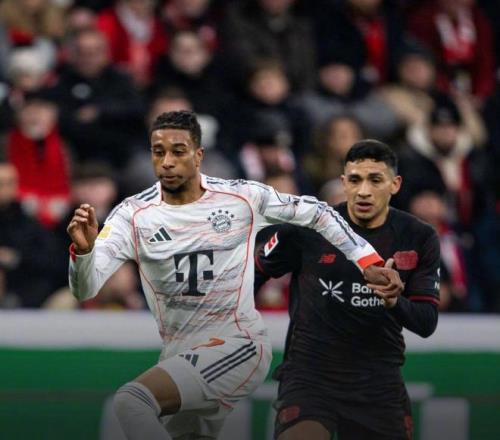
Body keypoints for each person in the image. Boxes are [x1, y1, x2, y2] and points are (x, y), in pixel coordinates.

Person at [67, 111, 396, 439]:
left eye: (178, 151)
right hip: (179, 353)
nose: (167, 162)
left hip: (237, 345)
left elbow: (319, 213)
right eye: (158, 152)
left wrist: (367, 260)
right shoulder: (131, 214)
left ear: (198, 156)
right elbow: (85, 289)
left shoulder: (241, 198)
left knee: (132, 401)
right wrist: (83, 254)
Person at [255, 140, 440, 440]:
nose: (363, 191)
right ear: (344, 182)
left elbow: (426, 322)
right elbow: (254, 271)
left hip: (378, 384)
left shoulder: (418, 236)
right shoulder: (309, 228)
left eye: (375, 180)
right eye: (355, 180)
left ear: (395, 184)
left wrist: (395, 301)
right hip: (311, 378)